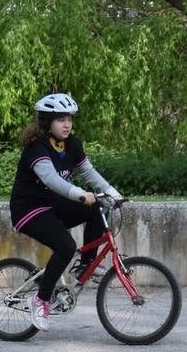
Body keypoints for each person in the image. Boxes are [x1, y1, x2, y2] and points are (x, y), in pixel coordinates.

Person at [8, 94, 123, 332]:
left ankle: (86, 264)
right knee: (65, 246)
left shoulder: (72, 144)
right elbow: (51, 179)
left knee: (98, 208)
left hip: (53, 205)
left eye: (69, 118)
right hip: (28, 209)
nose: (67, 124)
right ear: (47, 122)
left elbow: (89, 172)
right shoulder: (36, 148)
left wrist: (112, 193)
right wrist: (79, 193)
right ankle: (39, 300)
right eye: (60, 119)